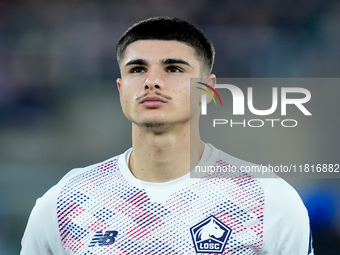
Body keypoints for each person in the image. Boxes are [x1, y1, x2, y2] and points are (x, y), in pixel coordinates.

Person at [20, 16, 314, 255]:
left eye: (173, 68)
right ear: (121, 89)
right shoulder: (66, 201)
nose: (152, 82)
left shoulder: (268, 198)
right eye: (137, 69)